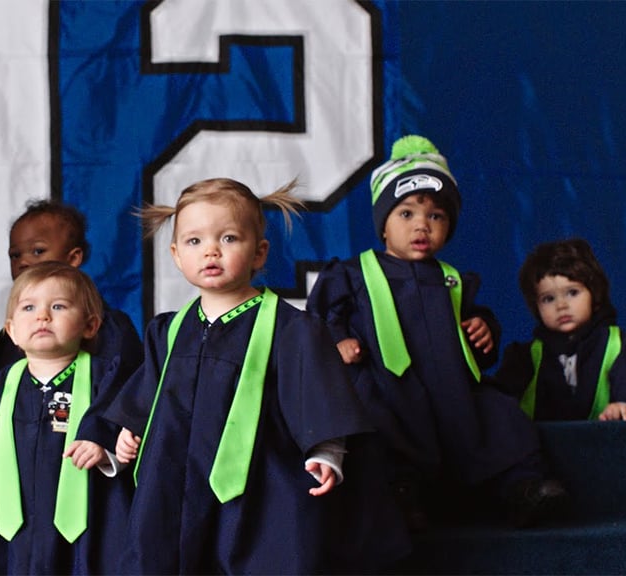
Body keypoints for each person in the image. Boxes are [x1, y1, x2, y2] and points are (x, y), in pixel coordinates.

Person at [101, 178, 409, 574]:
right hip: (177, 475)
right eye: (194, 242)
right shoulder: (168, 331)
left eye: (229, 238)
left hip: (261, 481)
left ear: (259, 253)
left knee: (258, 555)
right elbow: (149, 393)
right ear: (176, 255)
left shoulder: (292, 328)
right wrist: (130, 431)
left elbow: (317, 397)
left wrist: (325, 453)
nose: (211, 250)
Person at [307, 135, 569, 531]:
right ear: (383, 225)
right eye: (406, 214)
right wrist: (337, 340)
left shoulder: (453, 280)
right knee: (377, 428)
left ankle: (522, 490)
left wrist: (484, 331)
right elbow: (323, 315)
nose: (421, 227)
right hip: (389, 385)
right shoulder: (354, 273)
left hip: (453, 392)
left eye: (436, 217)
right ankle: (402, 504)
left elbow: (474, 336)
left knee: (500, 417)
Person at [0, 262, 131, 575]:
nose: (42, 316)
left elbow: (122, 429)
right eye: (28, 307)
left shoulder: (105, 380)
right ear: (12, 330)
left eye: (58, 306)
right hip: (11, 512)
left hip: (89, 512)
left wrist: (105, 448)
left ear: (90, 326)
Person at [0, 199, 142, 423]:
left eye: (38, 251)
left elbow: (130, 396)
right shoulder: (22, 328)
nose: (24, 261)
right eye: (15, 255)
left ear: (73, 258)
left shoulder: (112, 328)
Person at [493, 238, 626, 421]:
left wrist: (624, 404)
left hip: (609, 444)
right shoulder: (523, 360)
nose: (561, 305)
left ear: (594, 292)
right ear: (536, 306)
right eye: (548, 299)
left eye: (572, 293)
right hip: (543, 448)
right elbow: (499, 406)